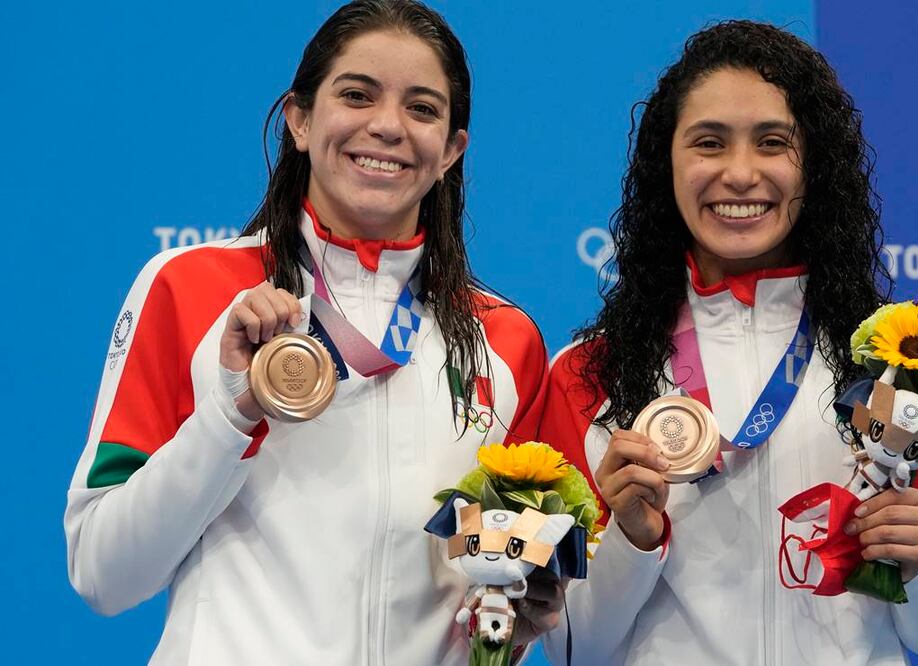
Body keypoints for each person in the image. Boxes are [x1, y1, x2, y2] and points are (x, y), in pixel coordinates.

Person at [64, 2, 562, 663]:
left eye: (421, 108)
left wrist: (513, 626)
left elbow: (487, 598)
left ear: (450, 150)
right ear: (299, 119)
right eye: (356, 95)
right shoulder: (191, 288)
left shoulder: (503, 341)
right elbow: (103, 573)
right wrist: (233, 412)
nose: (387, 126)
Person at [539, 20, 918, 665]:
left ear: (816, 164)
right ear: (667, 163)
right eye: (709, 143)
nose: (740, 173)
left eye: (773, 142)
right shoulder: (589, 374)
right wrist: (632, 542)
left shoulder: (909, 369)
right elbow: (569, 647)